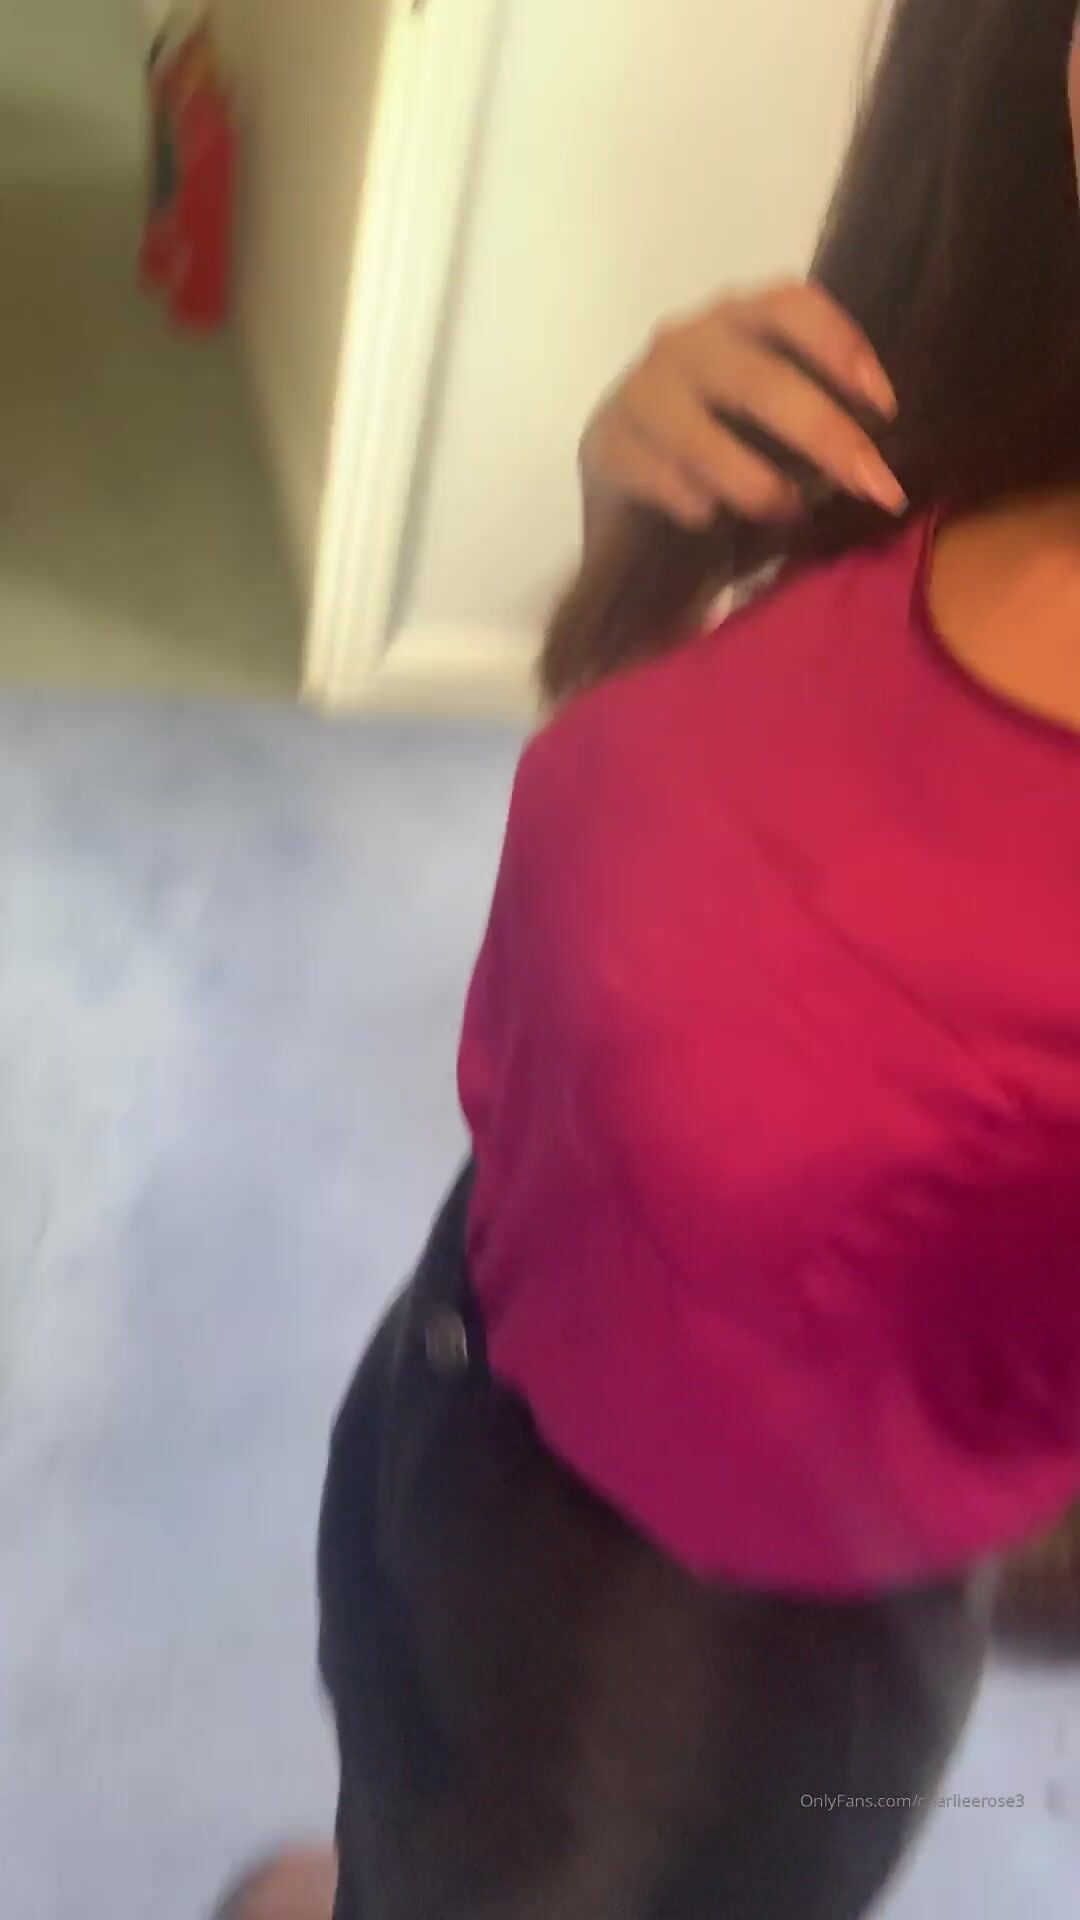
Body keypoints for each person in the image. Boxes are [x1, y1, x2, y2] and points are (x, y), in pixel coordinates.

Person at [220, 2, 1080, 1915]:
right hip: (471, 1355)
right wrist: (641, 560)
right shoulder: (966, 432)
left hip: (676, 1695)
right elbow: (665, 859)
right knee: (391, 1792)